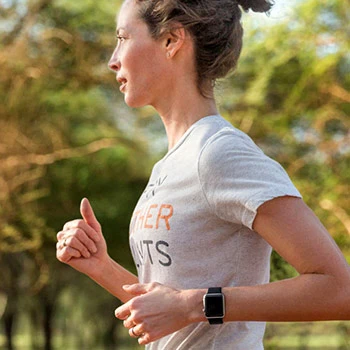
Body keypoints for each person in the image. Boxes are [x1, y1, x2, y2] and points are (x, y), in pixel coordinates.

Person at [56, 0, 350, 348]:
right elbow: (170, 309)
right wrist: (100, 266)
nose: (113, 60)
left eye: (122, 37)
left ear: (172, 41)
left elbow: (338, 289)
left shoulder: (219, 152)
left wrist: (194, 305)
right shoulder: (169, 164)